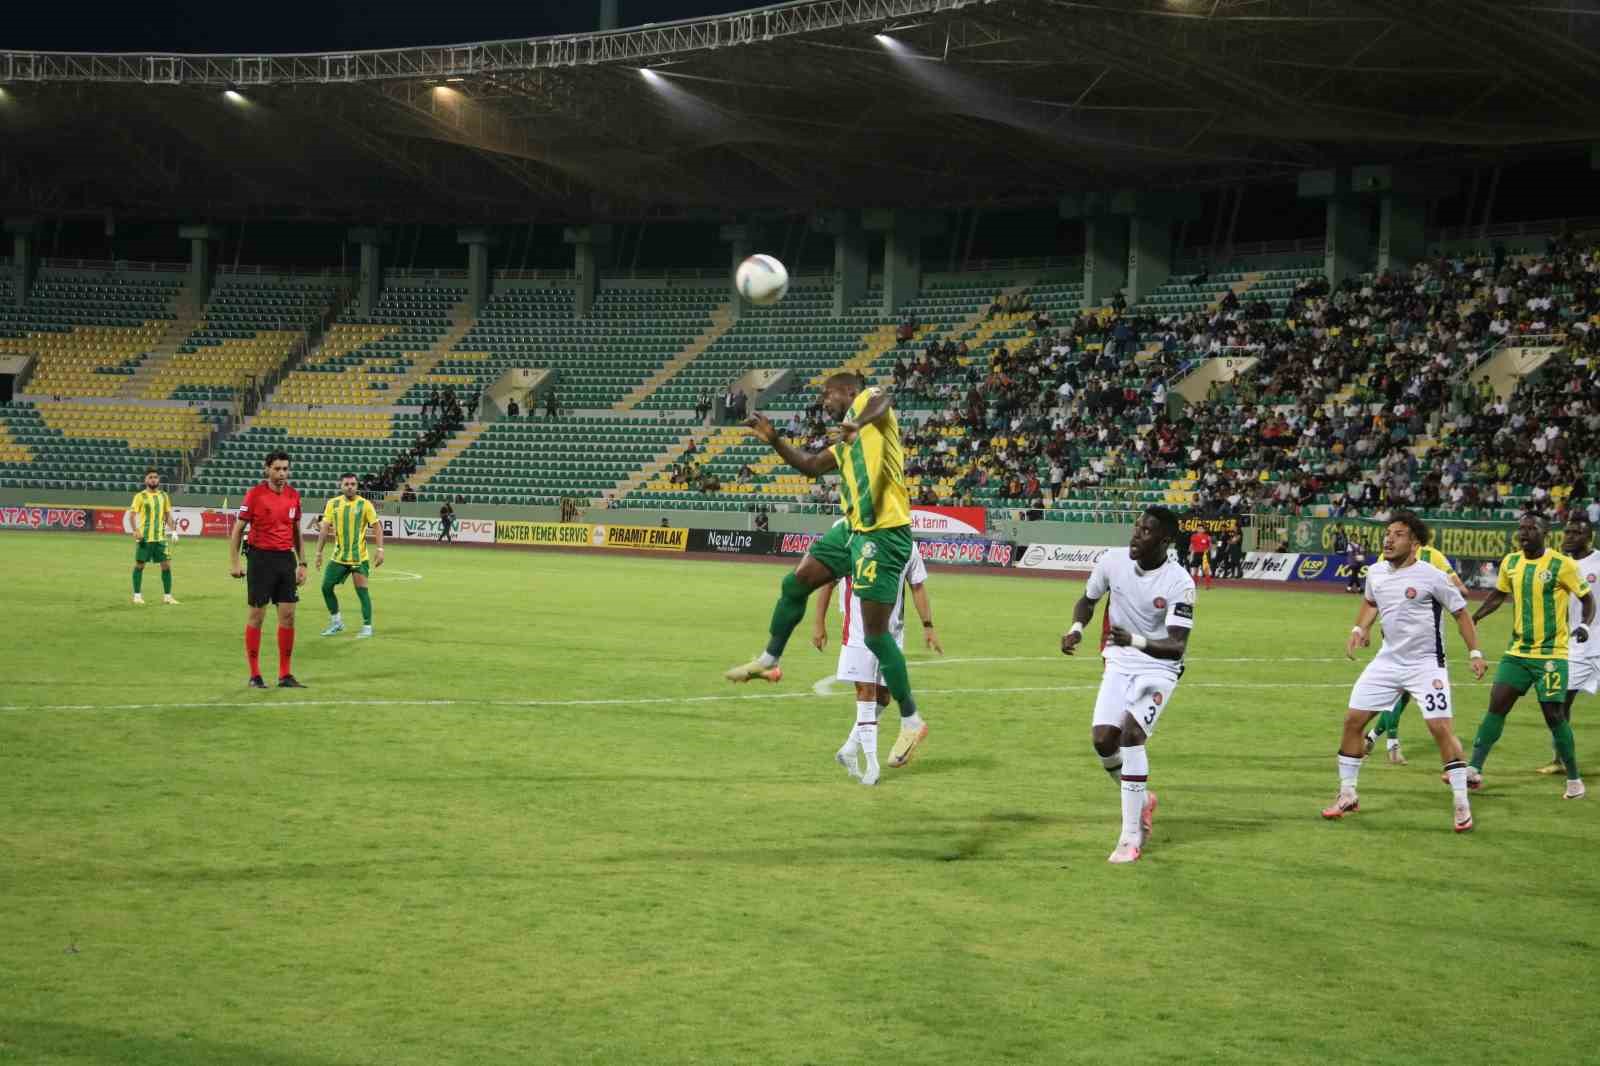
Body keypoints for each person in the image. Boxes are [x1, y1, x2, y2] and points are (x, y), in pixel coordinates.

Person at [725, 375, 930, 768]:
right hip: (853, 531)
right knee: (796, 582)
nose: (823, 401)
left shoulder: (871, 408)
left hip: (884, 537)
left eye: (828, 394)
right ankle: (769, 660)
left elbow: (883, 400)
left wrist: (859, 420)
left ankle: (911, 720)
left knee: (875, 636)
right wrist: (775, 439)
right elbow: (808, 467)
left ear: (849, 392)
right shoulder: (844, 448)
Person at [1322, 512, 1487, 831]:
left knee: (1440, 727)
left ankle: (1461, 803)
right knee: (1352, 721)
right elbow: (1371, 601)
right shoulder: (1376, 572)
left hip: (1426, 664)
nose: (1388, 538)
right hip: (1387, 661)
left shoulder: (1433, 576)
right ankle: (1347, 794)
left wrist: (1475, 653)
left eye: (1397, 534)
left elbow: (1461, 613)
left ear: (1414, 542)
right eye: (1387, 533)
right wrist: (1360, 628)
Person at [1061, 507, 1194, 864]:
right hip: (1120, 662)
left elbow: (1177, 646)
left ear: (1165, 541)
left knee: (1131, 735)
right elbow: (1087, 601)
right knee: (1104, 739)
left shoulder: (1179, 582)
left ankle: (1130, 834)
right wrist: (1076, 629)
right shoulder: (1112, 562)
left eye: (1146, 532)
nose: (1136, 536)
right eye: (1137, 528)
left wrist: (1134, 640)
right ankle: (1143, 798)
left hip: (1159, 667)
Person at [1462, 514, 1595, 799]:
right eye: (1521, 528)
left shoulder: (1562, 564)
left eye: (1531, 528)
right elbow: (1498, 595)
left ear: (1545, 533)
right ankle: (1473, 769)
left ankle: (1574, 779)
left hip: (1551, 654)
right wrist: (1475, 617)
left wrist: (1583, 625)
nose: (1524, 532)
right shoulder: (1511, 562)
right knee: (1496, 707)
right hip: (1517, 652)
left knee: (1554, 716)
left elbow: (1587, 599)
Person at [811, 524, 942, 786]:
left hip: (892, 634)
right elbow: (828, 582)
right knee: (866, 693)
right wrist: (819, 622)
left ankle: (849, 750)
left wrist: (928, 626)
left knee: (884, 695)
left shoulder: (907, 545)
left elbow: (917, 586)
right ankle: (871, 765)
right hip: (859, 632)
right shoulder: (852, 538)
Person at [1363, 538, 1471, 764]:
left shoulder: (1429, 559)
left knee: (1405, 693)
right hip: (1414, 641)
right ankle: (1392, 744)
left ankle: (1373, 736)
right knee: (1400, 691)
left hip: (1408, 634)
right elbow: (1462, 589)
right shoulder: (1435, 556)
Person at [229, 450, 308, 689]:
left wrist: (302, 563)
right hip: (260, 559)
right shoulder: (255, 495)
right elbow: (237, 530)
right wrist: (235, 563)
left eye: (285, 468)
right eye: (277, 468)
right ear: (267, 469)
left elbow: (296, 532)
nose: (282, 473)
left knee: (288, 616)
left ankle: (285, 674)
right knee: (257, 616)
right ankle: (255, 675)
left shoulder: (294, 495)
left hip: (285, 560)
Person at [1537, 514, 1600, 775]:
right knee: (1560, 704)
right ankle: (1560, 759)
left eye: (1576, 533)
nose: (1569, 537)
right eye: (1567, 532)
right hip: (1578, 647)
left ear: (1589, 537)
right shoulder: (1560, 564)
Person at [315, 473, 384, 639]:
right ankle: (337, 622)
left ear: (357, 486)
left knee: (362, 591)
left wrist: (380, 549)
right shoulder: (333, 504)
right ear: (341, 486)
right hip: (339, 557)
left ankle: (367, 627)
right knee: (326, 587)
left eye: (353, 484)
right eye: (346, 484)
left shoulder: (365, 504)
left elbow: (377, 527)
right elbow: (324, 529)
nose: (350, 487)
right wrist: (318, 552)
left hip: (359, 557)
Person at [128, 467, 178, 605]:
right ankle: (137, 596)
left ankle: (167, 596)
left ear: (158, 479)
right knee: (139, 566)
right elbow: (131, 515)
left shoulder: (164, 496)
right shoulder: (140, 496)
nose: (153, 479)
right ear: (145, 480)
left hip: (160, 538)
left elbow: (167, 515)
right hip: (145, 538)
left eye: (155, 477)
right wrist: (135, 530)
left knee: (167, 566)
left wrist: (173, 531)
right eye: (150, 477)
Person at [1187, 526, 1213, 591]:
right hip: (1196, 554)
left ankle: (1208, 586)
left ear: (1204, 530)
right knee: (1195, 571)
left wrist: (1208, 552)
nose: (1200, 529)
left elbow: (1210, 546)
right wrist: (1190, 553)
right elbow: (1191, 545)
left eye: (1201, 528)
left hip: (1204, 555)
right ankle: (1194, 585)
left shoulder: (1207, 537)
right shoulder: (1193, 536)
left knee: (1206, 570)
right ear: (1197, 529)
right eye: (1199, 528)